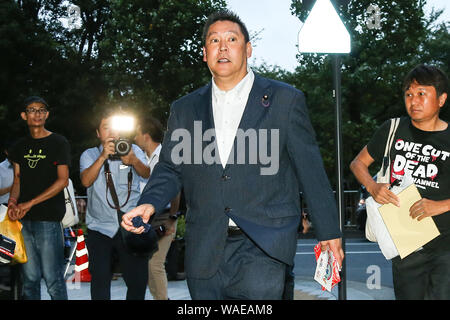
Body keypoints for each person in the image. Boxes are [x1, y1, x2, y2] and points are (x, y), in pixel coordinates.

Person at [122, 10, 343, 300]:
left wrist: (329, 231)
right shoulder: (185, 109)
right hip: (205, 246)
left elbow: (310, 171)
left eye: (232, 39)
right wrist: (148, 203)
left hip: (264, 244)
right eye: (214, 40)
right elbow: (170, 168)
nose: (223, 47)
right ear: (204, 53)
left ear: (248, 49)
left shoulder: (285, 100)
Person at [350, 64, 449, 300]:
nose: (413, 101)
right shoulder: (392, 129)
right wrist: (372, 187)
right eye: (409, 94)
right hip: (405, 242)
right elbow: (357, 163)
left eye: (421, 94)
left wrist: (441, 205)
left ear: (442, 99)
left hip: (446, 245)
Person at [79, 108, 150, 300]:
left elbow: (148, 174)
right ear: (98, 133)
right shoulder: (89, 155)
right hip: (99, 228)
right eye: (105, 127)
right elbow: (85, 181)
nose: (111, 132)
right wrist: (102, 156)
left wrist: (134, 160)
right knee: (100, 281)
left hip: (131, 227)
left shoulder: (133, 150)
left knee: (137, 280)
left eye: (115, 128)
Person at [8, 96, 70, 300]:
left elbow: (63, 181)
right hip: (23, 221)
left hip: (48, 219)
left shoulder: (58, 142)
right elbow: (17, 180)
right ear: (24, 115)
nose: (37, 114)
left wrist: (30, 203)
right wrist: (12, 203)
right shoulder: (19, 146)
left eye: (41, 110)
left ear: (47, 114)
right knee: (30, 279)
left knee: (53, 280)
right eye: (32, 110)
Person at [134, 115, 181, 300]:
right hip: (148, 218)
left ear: (146, 135)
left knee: (155, 264)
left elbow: (176, 190)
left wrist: (172, 218)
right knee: (149, 264)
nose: (134, 138)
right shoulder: (142, 158)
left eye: (136, 133)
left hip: (165, 217)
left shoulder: (164, 157)